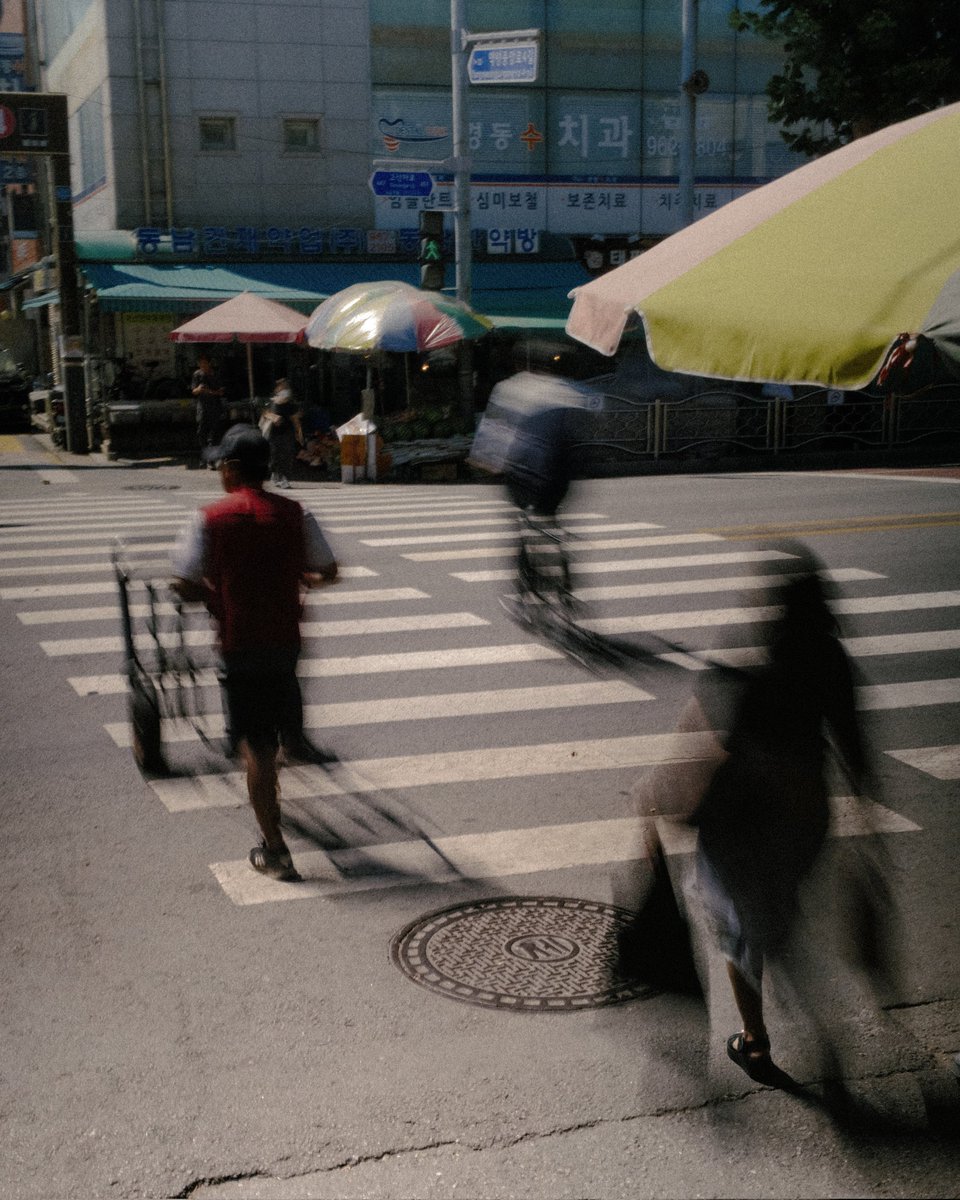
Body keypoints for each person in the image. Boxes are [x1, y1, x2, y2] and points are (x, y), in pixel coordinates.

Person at [689, 542, 870, 1082]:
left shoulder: (750, 655)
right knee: (773, 915)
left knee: (739, 927)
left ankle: (756, 1041)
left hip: (745, 820)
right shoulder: (830, 658)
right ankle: (805, 1013)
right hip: (806, 815)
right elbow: (854, 748)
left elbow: (712, 743)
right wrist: (868, 828)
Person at [169, 423, 338, 881]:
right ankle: (294, 737)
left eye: (220, 465)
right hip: (285, 643)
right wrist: (303, 578)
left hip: (240, 645)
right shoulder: (295, 513)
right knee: (281, 701)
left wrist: (205, 593)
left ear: (232, 470)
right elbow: (328, 570)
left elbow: (183, 581)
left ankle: (276, 849)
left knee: (256, 751)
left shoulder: (210, 518)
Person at [262, 377, 303, 489]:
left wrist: (299, 433)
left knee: (286, 455)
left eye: (286, 386)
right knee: (275, 455)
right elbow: (264, 413)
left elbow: (295, 420)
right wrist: (273, 417)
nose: (284, 389)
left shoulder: (291, 404)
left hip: (287, 432)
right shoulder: (271, 402)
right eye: (282, 386)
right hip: (274, 433)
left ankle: (283, 478)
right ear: (277, 389)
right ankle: (276, 475)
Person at [192, 354, 225, 463]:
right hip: (202, 407)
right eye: (200, 363)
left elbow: (221, 392)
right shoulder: (197, 374)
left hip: (215, 406)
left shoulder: (216, 374)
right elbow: (194, 391)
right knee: (201, 431)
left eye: (204, 363)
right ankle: (204, 453)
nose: (202, 365)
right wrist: (199, 389)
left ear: (209, 363)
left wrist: (209, 392)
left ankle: (211, 458)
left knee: (214, 433)